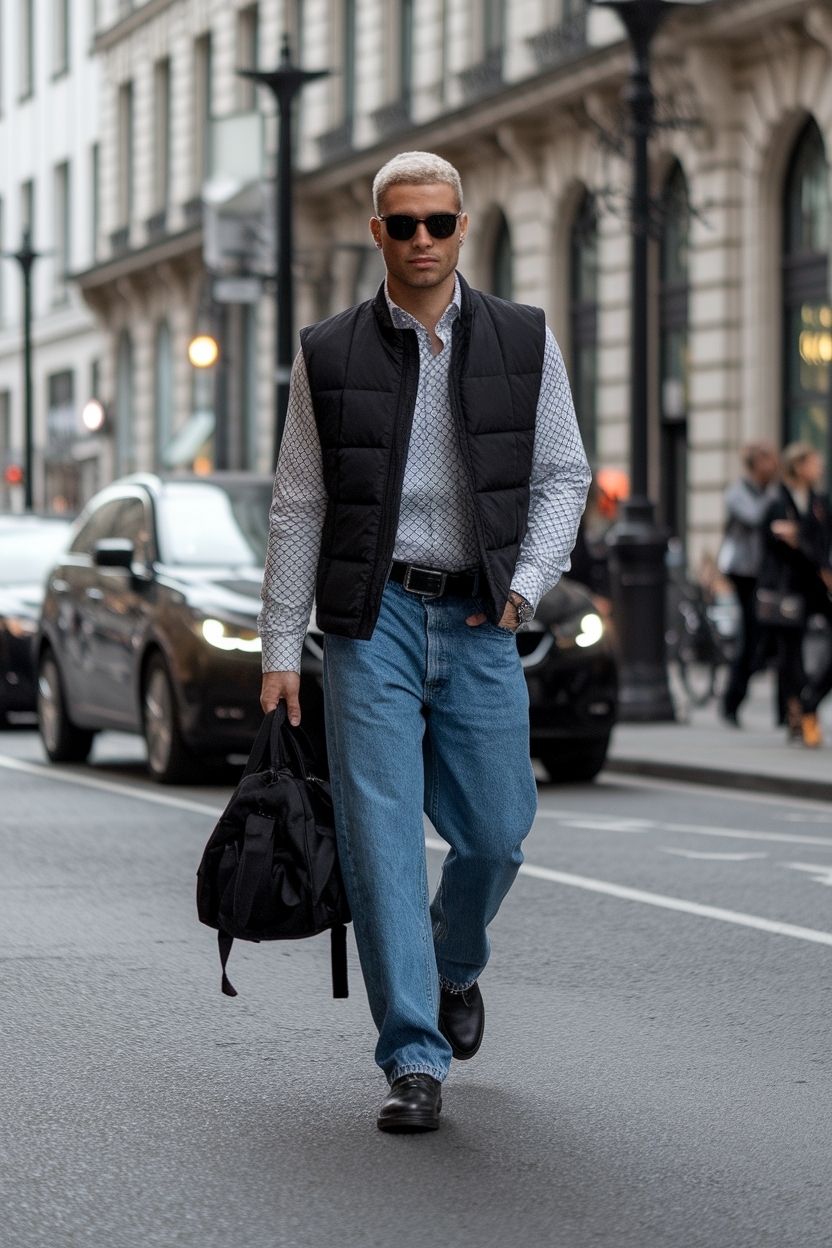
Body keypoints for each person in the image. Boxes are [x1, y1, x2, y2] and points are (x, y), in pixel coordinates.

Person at [258, 151, 589, 1133]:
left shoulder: (524, 341)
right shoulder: (328, 351)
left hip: (483, 615)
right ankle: (412, 1053)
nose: (420, 241)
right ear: (376, 234)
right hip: (375, 619)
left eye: (436, 222)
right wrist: (280, 648)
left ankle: (454, 964)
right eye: (400, 225)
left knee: (496, 834)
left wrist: (526, 586)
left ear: (462, 226)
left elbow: (563, 475)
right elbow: (299, 502)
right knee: (381, 842)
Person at [758, 442, 832, 746]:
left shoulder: (819, 501)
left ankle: (809, 699)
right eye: (814, 463)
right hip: (787, 589)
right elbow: (771, 542)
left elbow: (818, 542)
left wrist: (798, 538)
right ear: (799, 466)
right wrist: (795, 540)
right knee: (790, 653)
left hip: (816, 584)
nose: (819, 468)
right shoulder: (778, 498)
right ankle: (796, 709)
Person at [718, 442, 780, 724]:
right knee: (752, 635)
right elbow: (757, 517)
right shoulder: (738, 494)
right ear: (755, 464)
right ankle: (731, 700)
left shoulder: (772, 492)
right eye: (769, 460)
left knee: (764, 637)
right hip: (742, 571)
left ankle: (740, 698)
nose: (775, 466)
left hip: (765, 572)